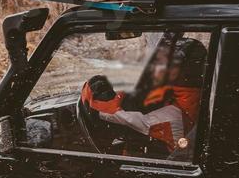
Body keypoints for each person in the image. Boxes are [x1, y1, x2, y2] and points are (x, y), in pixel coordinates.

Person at [80, 36, 208, 157]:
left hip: (167, 167)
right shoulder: (200, 98)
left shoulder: (172, 117)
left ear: (177, 72)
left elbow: (109, 111)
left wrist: (91, 91)